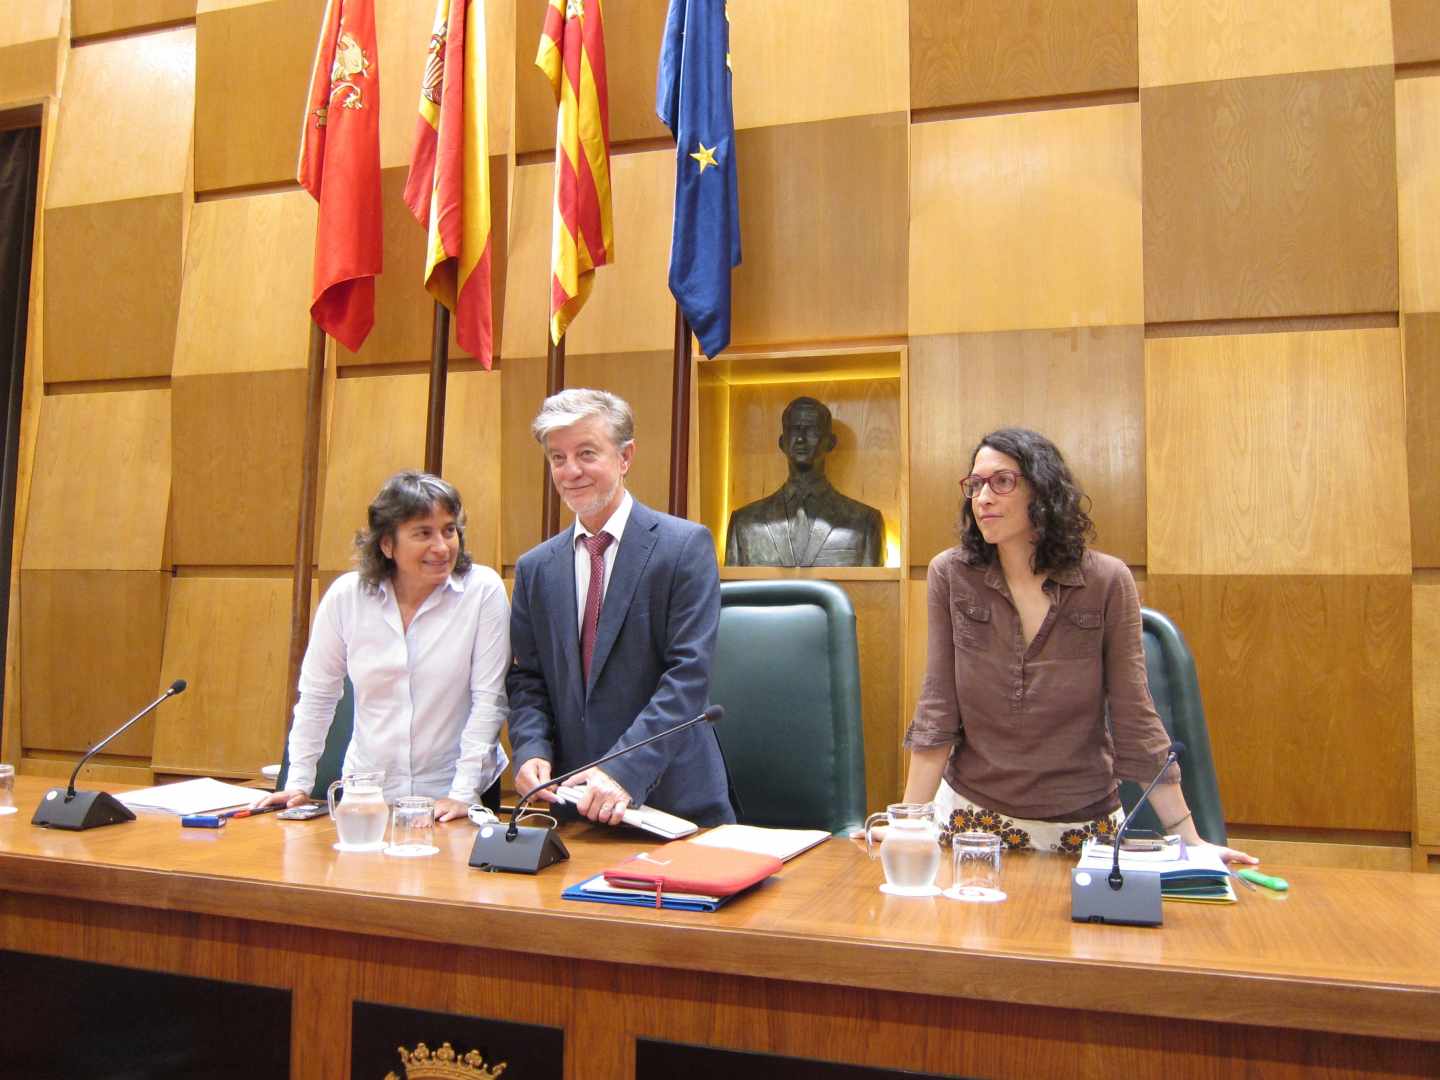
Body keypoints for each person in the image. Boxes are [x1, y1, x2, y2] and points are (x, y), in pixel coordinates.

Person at [903, 428, 1256, 864]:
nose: (983, 498)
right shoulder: (951, 575)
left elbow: (1134, 715)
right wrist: (911, 824)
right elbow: (938, 706)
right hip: (969, 825)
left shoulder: (1107, 581)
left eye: (1002, 481)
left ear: (1043, 489)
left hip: (1083, 829)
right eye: (975, 485)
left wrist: (1191, 841)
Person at [507, 388, 735, 827]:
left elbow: (687, 678)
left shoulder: (684, 547)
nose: (570, 471)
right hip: (574, 811)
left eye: (586, 453)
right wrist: (532, 749)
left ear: (625, 457)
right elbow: (528, 680)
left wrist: (621, 771)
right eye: (558, 458)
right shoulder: (536, 568)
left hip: (675, 807)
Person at [258, 471, 509, 822]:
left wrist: (462, 794)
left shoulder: (482, 591)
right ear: (387, 544)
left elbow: (489, 700)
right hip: (367, 793)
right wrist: (298, 782)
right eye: (423, 533)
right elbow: (318, 696)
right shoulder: (348, 597)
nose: (441, 546)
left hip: (453, 793)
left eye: (449, 530)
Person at [724, 396, 885, 567]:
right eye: (794, 430)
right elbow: (732, 592)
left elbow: (874, 592)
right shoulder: (744, 524)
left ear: (830, 442)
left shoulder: (864, 523)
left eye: (812, 430)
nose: (800, 438)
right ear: (782, 442)